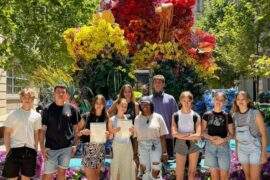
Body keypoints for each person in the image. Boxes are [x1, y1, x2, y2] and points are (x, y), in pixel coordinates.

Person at [40, 85, 81, 180]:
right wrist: (42, 147)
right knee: (47, 174)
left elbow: (76, 129)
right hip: (51, 148)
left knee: (62, 173)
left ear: (66, 94)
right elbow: (42, 131)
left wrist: (75, 145)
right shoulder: (47, 109)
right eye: (58, 92)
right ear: (54, 94)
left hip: (66, 147)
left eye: (63, 92)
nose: (61, 94)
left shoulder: (72, 109)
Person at [2, 88, 42, 180]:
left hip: (30, 151)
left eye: (30, 98)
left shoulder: (37, 116)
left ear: (33, 99)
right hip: (14, 150)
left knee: (26, 178)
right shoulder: (13, 114)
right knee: (12, 178)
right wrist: (8, 150)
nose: (27, 99)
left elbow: (36, 133)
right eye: (25, 97)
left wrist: (36, 149)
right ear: (21, 99)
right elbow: (7, 133)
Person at [232, 91, 267, 180]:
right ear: (236, 101)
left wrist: (263, 154)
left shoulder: (255, 113)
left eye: (243, 99)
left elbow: (263, 134)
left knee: (254, 178)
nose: (240, 101)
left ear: (248, 100)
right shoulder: (234, 115)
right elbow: (236, 136)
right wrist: (236, 151)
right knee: (247, 176)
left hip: (254, 149)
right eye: (238, 99)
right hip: (241, 150)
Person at [134, 96, 168, 180]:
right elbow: (135, 137)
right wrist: (135, 154)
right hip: (142, 146)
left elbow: (163, 136)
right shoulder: (137, 119)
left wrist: (164, 152)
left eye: (147, 104)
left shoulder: (158, 117)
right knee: (144, 170)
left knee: (156, 170)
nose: (144, 106)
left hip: (156, 146)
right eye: (142, 104)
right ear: (140, 106)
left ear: (151, 105)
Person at [202, 92, 234, 180]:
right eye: (217, 99)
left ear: (225, 102)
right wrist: (211, 137)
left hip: (223, 147)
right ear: (213, 100)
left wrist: (223, 140)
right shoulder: (206, 115)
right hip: (210, 147)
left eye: (221, 100)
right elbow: (202, 132)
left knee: (224, 175)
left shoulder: (227, 116)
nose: (219, 102)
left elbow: (232, 134)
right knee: (214, 175)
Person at [77, 95, 109, 180]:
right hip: (88, 149)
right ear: (93, 104)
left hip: (100, 149)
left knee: (96, 177)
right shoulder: (86, 116)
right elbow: (77, 133)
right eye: (97, 103)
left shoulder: (106, 117)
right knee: (91, 178)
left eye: (101, 103)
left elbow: (109, 135)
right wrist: (82, 132)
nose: (99, 105)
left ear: (104, 105)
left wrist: (107, 134)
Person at [171, 91, 201, 180]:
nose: (186, 103)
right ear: (180, 101)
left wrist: (181, 135)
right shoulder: (176, 115)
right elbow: (174, 133)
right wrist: (190, 135)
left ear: (191, 101)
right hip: (180, 144)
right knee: (179, 172)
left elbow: (198, 135)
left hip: (194, 144)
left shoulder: (196, 116)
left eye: (188, 101)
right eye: (184, 100)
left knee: (192, 172)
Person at [150, 75, 178, 158]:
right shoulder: (148, 100)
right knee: (154, 162)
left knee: (168, 162)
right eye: (155, 83)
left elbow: (176, 117)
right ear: (153, 84)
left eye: (159, 83)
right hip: (153, 136)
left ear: (163, 84)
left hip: (167, 136)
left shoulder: (170, 99)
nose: (157, 84)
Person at [108, 98, 136, 180]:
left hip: (127, 146)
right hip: (116, 146)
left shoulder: (128, 119)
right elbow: (110, 136)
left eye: (125, 106)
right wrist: (114, 131)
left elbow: (132, 134)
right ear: (117, 106)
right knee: (115, 168)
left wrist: (132, 131)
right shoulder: (112, 119)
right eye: (122, 106)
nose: (123, 108)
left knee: (127, 168)